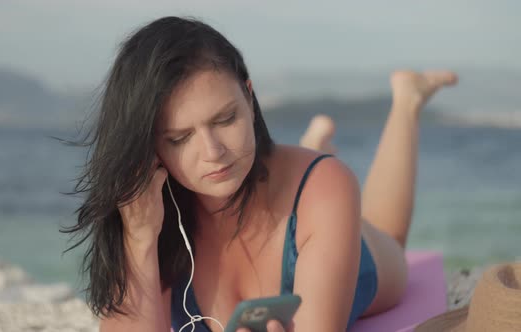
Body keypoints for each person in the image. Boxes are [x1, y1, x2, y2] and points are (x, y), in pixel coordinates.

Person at [63, 16, 458, 332]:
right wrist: (140, 238)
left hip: (334, 228)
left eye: (226, 118)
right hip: (290, 191)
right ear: (150, 147)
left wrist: (322, 187)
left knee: (384, 231)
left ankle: (407, 101)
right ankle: (313, 150)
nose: (213, 153)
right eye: (180, 138)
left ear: (249, 97)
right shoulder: (153, 215)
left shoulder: (326, 187)